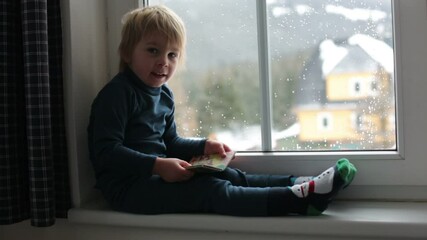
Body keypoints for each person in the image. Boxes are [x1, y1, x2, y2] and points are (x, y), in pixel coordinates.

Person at [87, 5, 357, 216]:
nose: (163, 62)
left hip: (153, 176)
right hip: (127, 189)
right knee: (212, 190)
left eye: (172, 54)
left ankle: (301, 182)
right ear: (126, 52)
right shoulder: (118, 94)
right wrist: (157, 166)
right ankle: (297, 202)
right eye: (153, 50)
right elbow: (106, 151)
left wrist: (205, 145)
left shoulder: (164, 95)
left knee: (227, 174)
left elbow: (170, 142)